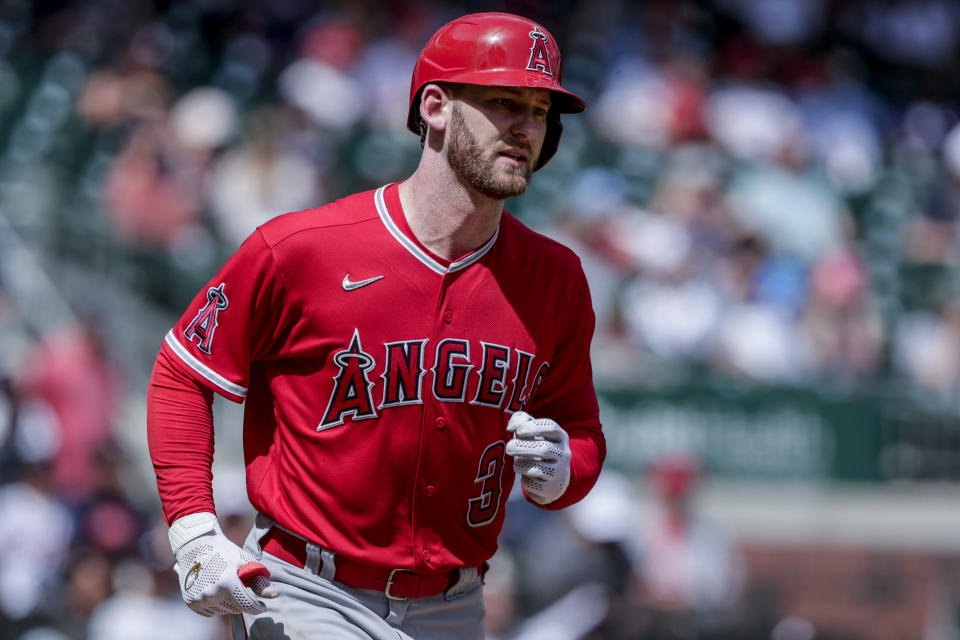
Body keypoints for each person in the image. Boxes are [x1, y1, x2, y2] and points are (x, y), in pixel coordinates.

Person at [146, 12, 606, 640]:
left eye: (540, 111)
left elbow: (580, 433)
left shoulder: (556, 278)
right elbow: (182, 371)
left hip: (457, 604)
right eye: (505, 103)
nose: (527, 127)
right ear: (437, 107)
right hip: (309, 590)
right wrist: (194, 531)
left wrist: (561, 472)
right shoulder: (302, 249)